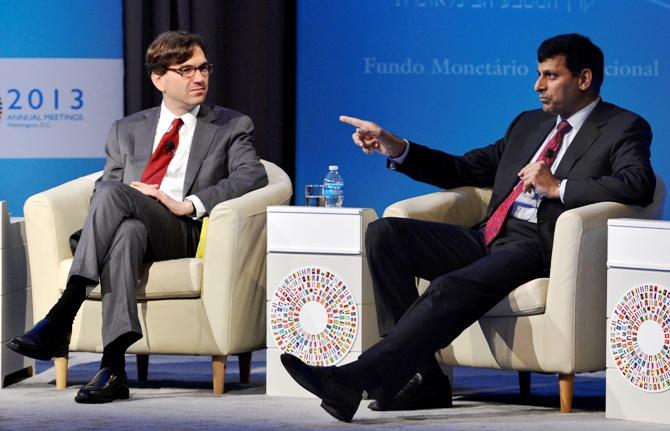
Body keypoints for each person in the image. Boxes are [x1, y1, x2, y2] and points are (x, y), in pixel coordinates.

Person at [280, 33, 655, 422]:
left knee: (449, 286)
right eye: (538, 74)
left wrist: (557, 187)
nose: (537, 85)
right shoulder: (529, 125)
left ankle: (357, 378)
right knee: (386, 233)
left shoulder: (622, 126)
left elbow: (638, 184)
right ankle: (422, 377)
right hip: (489, 235)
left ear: (584, 79)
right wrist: (397, 148)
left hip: (536, 247)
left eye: (549, 75)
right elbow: (464, 169)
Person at [8, 30, 268, 403]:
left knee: (115, 194)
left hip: (182, 230)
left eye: (204, 68)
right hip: (132, 227)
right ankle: (113, 367)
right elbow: (107, 191)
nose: (200, 77)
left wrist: (188, 203)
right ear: (158, 78)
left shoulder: (231, 125)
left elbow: (252, 174)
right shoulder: (127, 129)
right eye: (187, 70)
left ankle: (64, 312)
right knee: (125, 228)